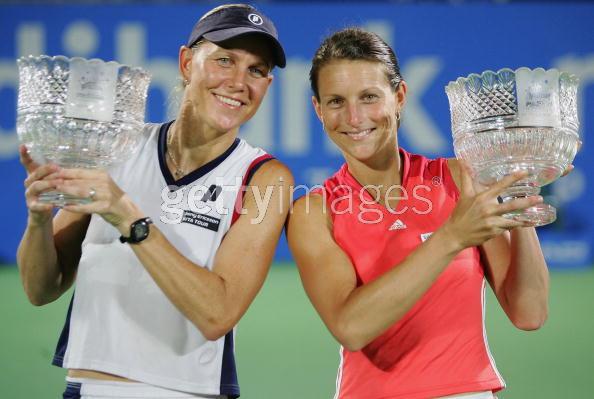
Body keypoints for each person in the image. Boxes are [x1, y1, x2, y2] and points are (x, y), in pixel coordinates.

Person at [17, 4, 293, 399]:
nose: (239, 82)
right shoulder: (117, 147)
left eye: (257, 70)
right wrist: (39, 219)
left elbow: (218, 314)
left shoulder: (266, 179)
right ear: (186, 63)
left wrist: (127, 217)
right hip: (87, 386)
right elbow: (41, 288)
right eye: (225, 60)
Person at [287, 27, 555, 399]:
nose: (353, 117)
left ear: (399, 97)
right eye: (335, 101)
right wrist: (450, 238)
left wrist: (522, 198)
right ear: (318, 110)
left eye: (368, 97)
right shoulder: (313, 212)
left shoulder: (461, 179)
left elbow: (529, 313)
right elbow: (351, 326)